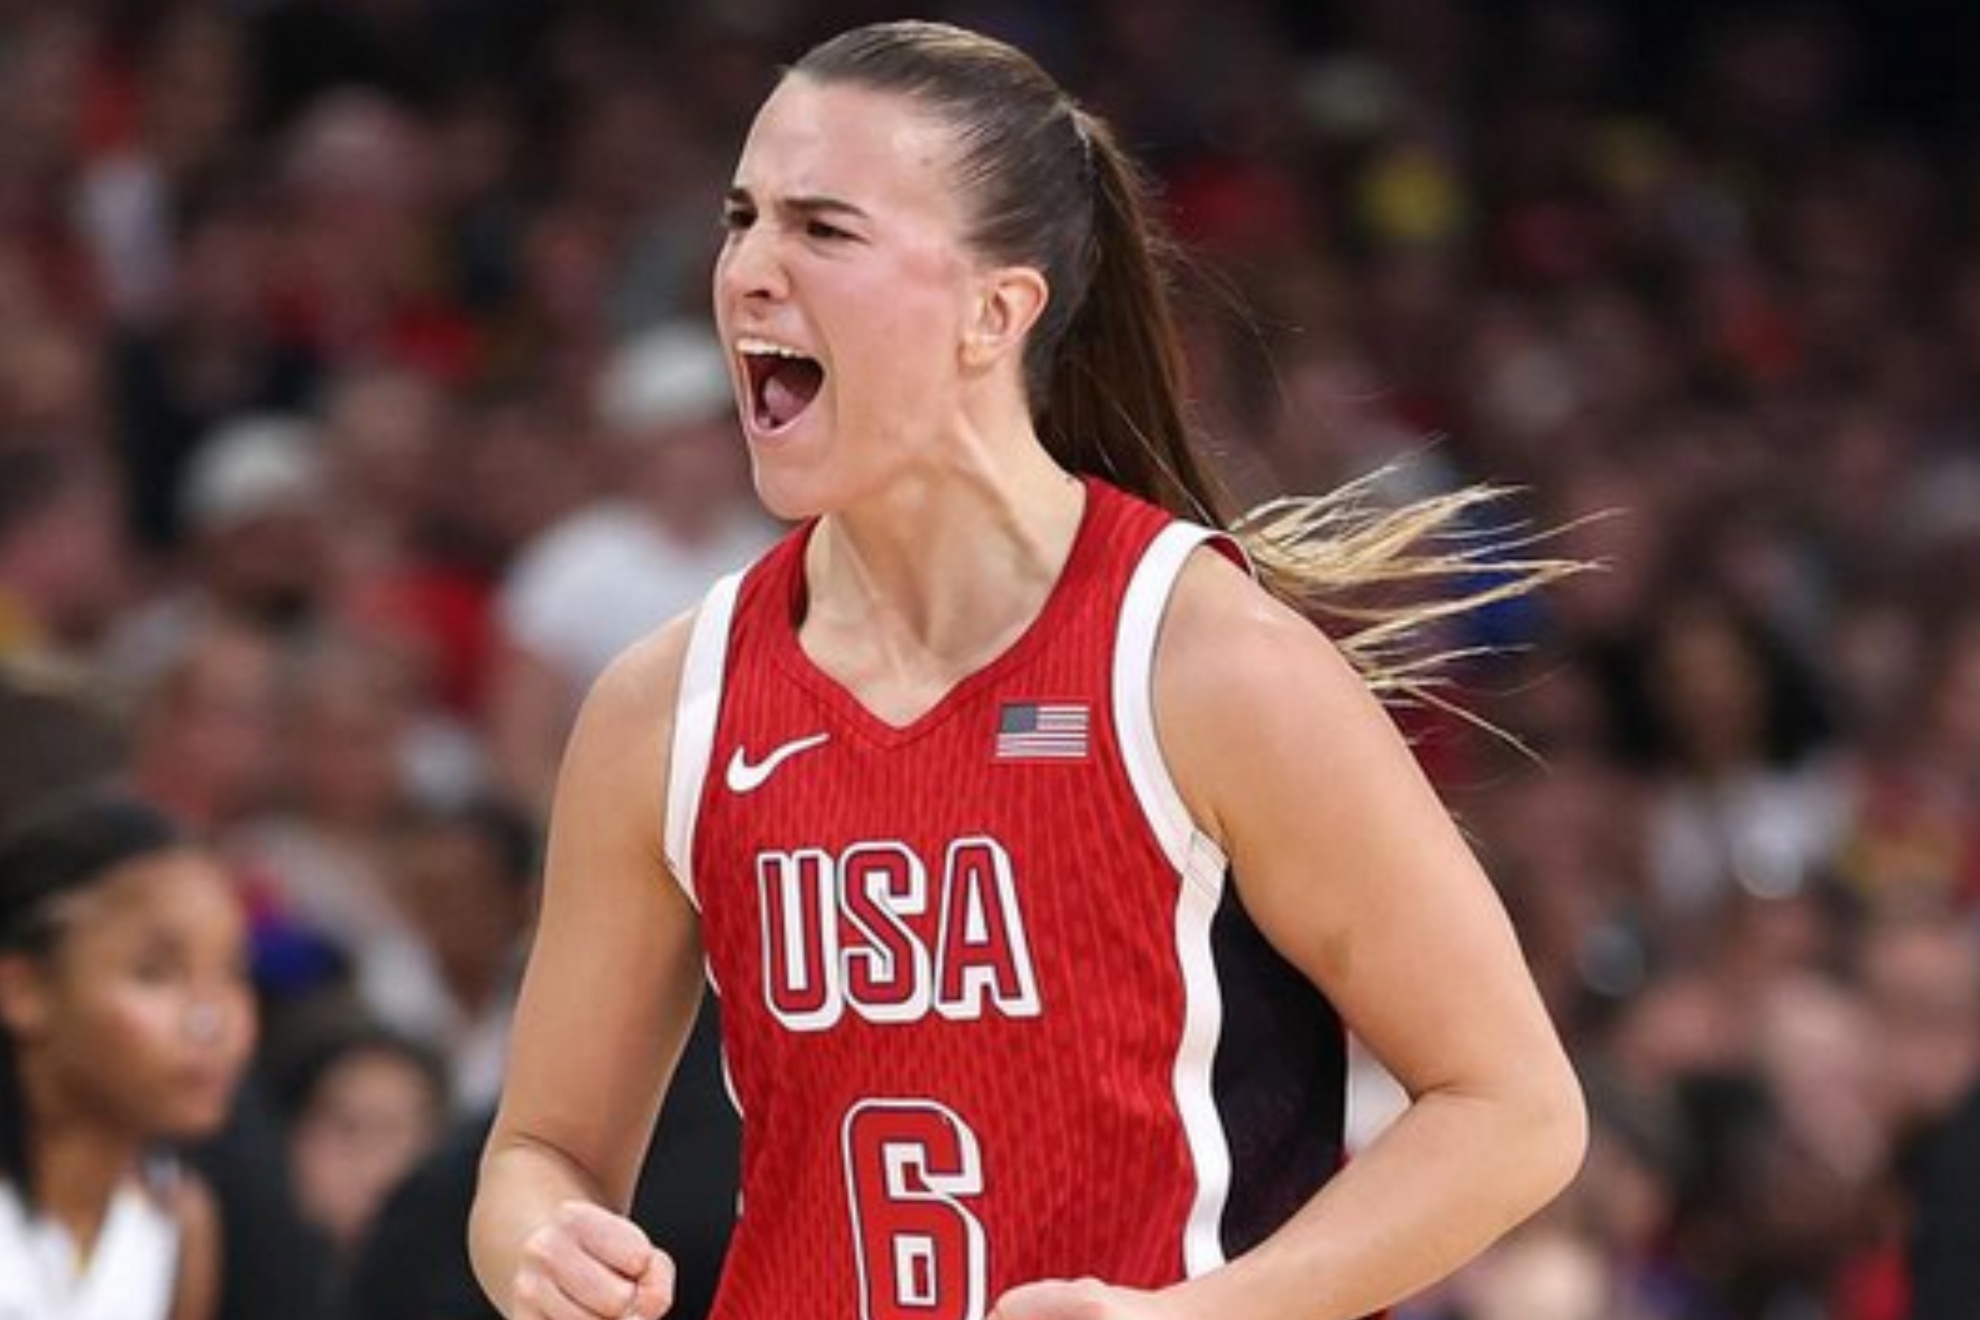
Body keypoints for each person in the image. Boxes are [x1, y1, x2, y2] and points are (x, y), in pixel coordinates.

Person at [470, 19, 1586, 1320]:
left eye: (823, 230)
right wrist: (542, 1241)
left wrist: (1191, 1319)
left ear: (996, 312)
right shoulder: (667, 706)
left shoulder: (1204, 664)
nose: (749, 274)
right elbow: (537, 1153)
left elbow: (1512, 1110)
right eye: (742, 219)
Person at [0, 791, 258, 1320]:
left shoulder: (181, 1221)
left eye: (232, 972)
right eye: (155, 973)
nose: (211, 1021)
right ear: (24, 991)